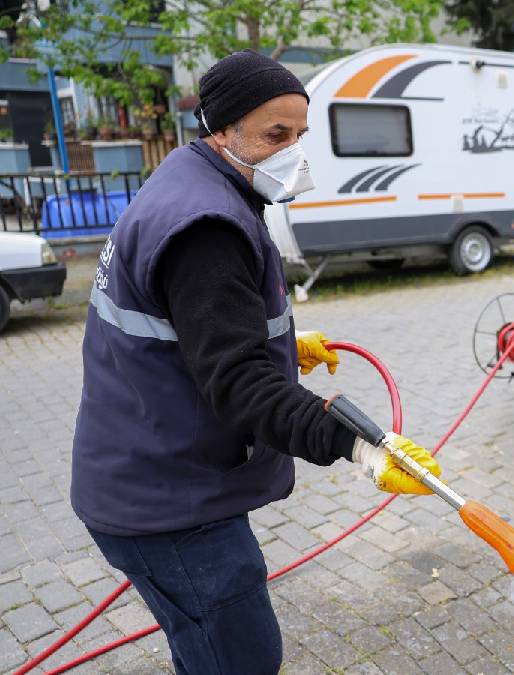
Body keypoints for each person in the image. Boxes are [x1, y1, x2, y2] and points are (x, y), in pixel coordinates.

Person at [70, 50, 442, 674]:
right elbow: (239, 383)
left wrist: (280, 345)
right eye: (276, 134)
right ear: (221, 127)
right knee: (240, 658)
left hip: (141, 473)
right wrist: (362, 447)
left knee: (207, 652)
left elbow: (188, 327)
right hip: (168, 502)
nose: (292, 151)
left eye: (299, 135)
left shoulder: (189, 181)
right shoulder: (205, 226)